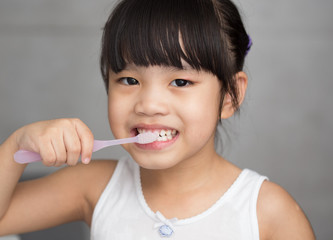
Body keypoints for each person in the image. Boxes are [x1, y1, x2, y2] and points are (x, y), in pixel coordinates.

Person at [0, 0, 315, 239]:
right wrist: (16, 144)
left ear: (230, 95)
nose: (149, 105)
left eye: (180, 82)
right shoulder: (93, 185)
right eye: (128, 80)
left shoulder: (268, 212)